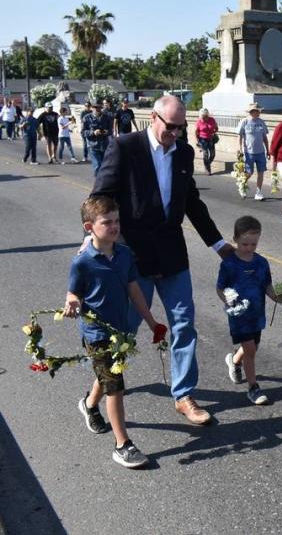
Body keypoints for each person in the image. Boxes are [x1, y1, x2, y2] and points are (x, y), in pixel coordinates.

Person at [91, 95, 234, 425]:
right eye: (171, 127)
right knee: (124, 333)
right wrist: (100, 242)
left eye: (181, 128)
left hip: (171, 254)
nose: (176, 134)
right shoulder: (125, 146)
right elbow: (101, 195)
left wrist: (218, 243)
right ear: (153, 118)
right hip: (133, 256)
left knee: (184, 325)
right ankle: (96, 395)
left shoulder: (183, 151)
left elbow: (192, 203)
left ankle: (183, 395)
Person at [66, 195, 167, 468]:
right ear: (89, 228)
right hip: (96, 333)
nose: (114, 227)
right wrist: (73, 301)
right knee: (116, 386)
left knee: (110, 375)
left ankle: (88, 404)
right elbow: (73, 291)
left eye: (117, 221)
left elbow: (134, 290)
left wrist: (151, 321)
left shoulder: (124, 255)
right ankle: (122, 444)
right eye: (106, 222)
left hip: (120, 331)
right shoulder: (83, 262)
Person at [218, 216, 282, 406]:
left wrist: (277, 297)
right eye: (245, 243)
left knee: (253, 346)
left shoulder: (262, 262)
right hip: (239, 315)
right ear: (235, 239)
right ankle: (253, 388)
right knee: (250, 349)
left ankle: (235, 361)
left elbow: (267, 285)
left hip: (257, 313)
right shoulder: (229, 264)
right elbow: (220, 287)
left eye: (253, 244)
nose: (249, 248)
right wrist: (228, 301)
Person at [237, 102, 270, 200]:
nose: (257, 112)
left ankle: (258, 192)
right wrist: (240, 148)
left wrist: (268, 150)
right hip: (249, 152)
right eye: (255, 111)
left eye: (258, 111)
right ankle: (242, 184)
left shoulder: (261, 122)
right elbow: (240, 135)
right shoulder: (245, 122)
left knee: (261, 172)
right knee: (249, 172)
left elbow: (264, 137)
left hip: (260, 152)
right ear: (251, 112)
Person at [82, 101, 112, 176]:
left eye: (99, 107)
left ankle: (103, 182)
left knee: (104, 166)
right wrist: (93, 132)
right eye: (95, 107)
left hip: (104, 145)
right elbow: (83, 132)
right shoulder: (87, 118)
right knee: (97, 165)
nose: (97, 109)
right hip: (93, 146)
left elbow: (110, 131)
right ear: (92, 108)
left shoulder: (106, 117)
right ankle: (99, 184)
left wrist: (106, 132)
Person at [194, 108, 219, 175]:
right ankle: (207, 169)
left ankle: (207, 164)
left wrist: (214, 132)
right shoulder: (199, 121)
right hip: (203, 139)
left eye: (205, 116)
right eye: (203, 116)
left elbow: (216, 128)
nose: (204, 118)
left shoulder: (212, 119)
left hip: (211, 138)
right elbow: (196, 132)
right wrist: (197, 141)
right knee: (206, 154)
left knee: (213, 154)